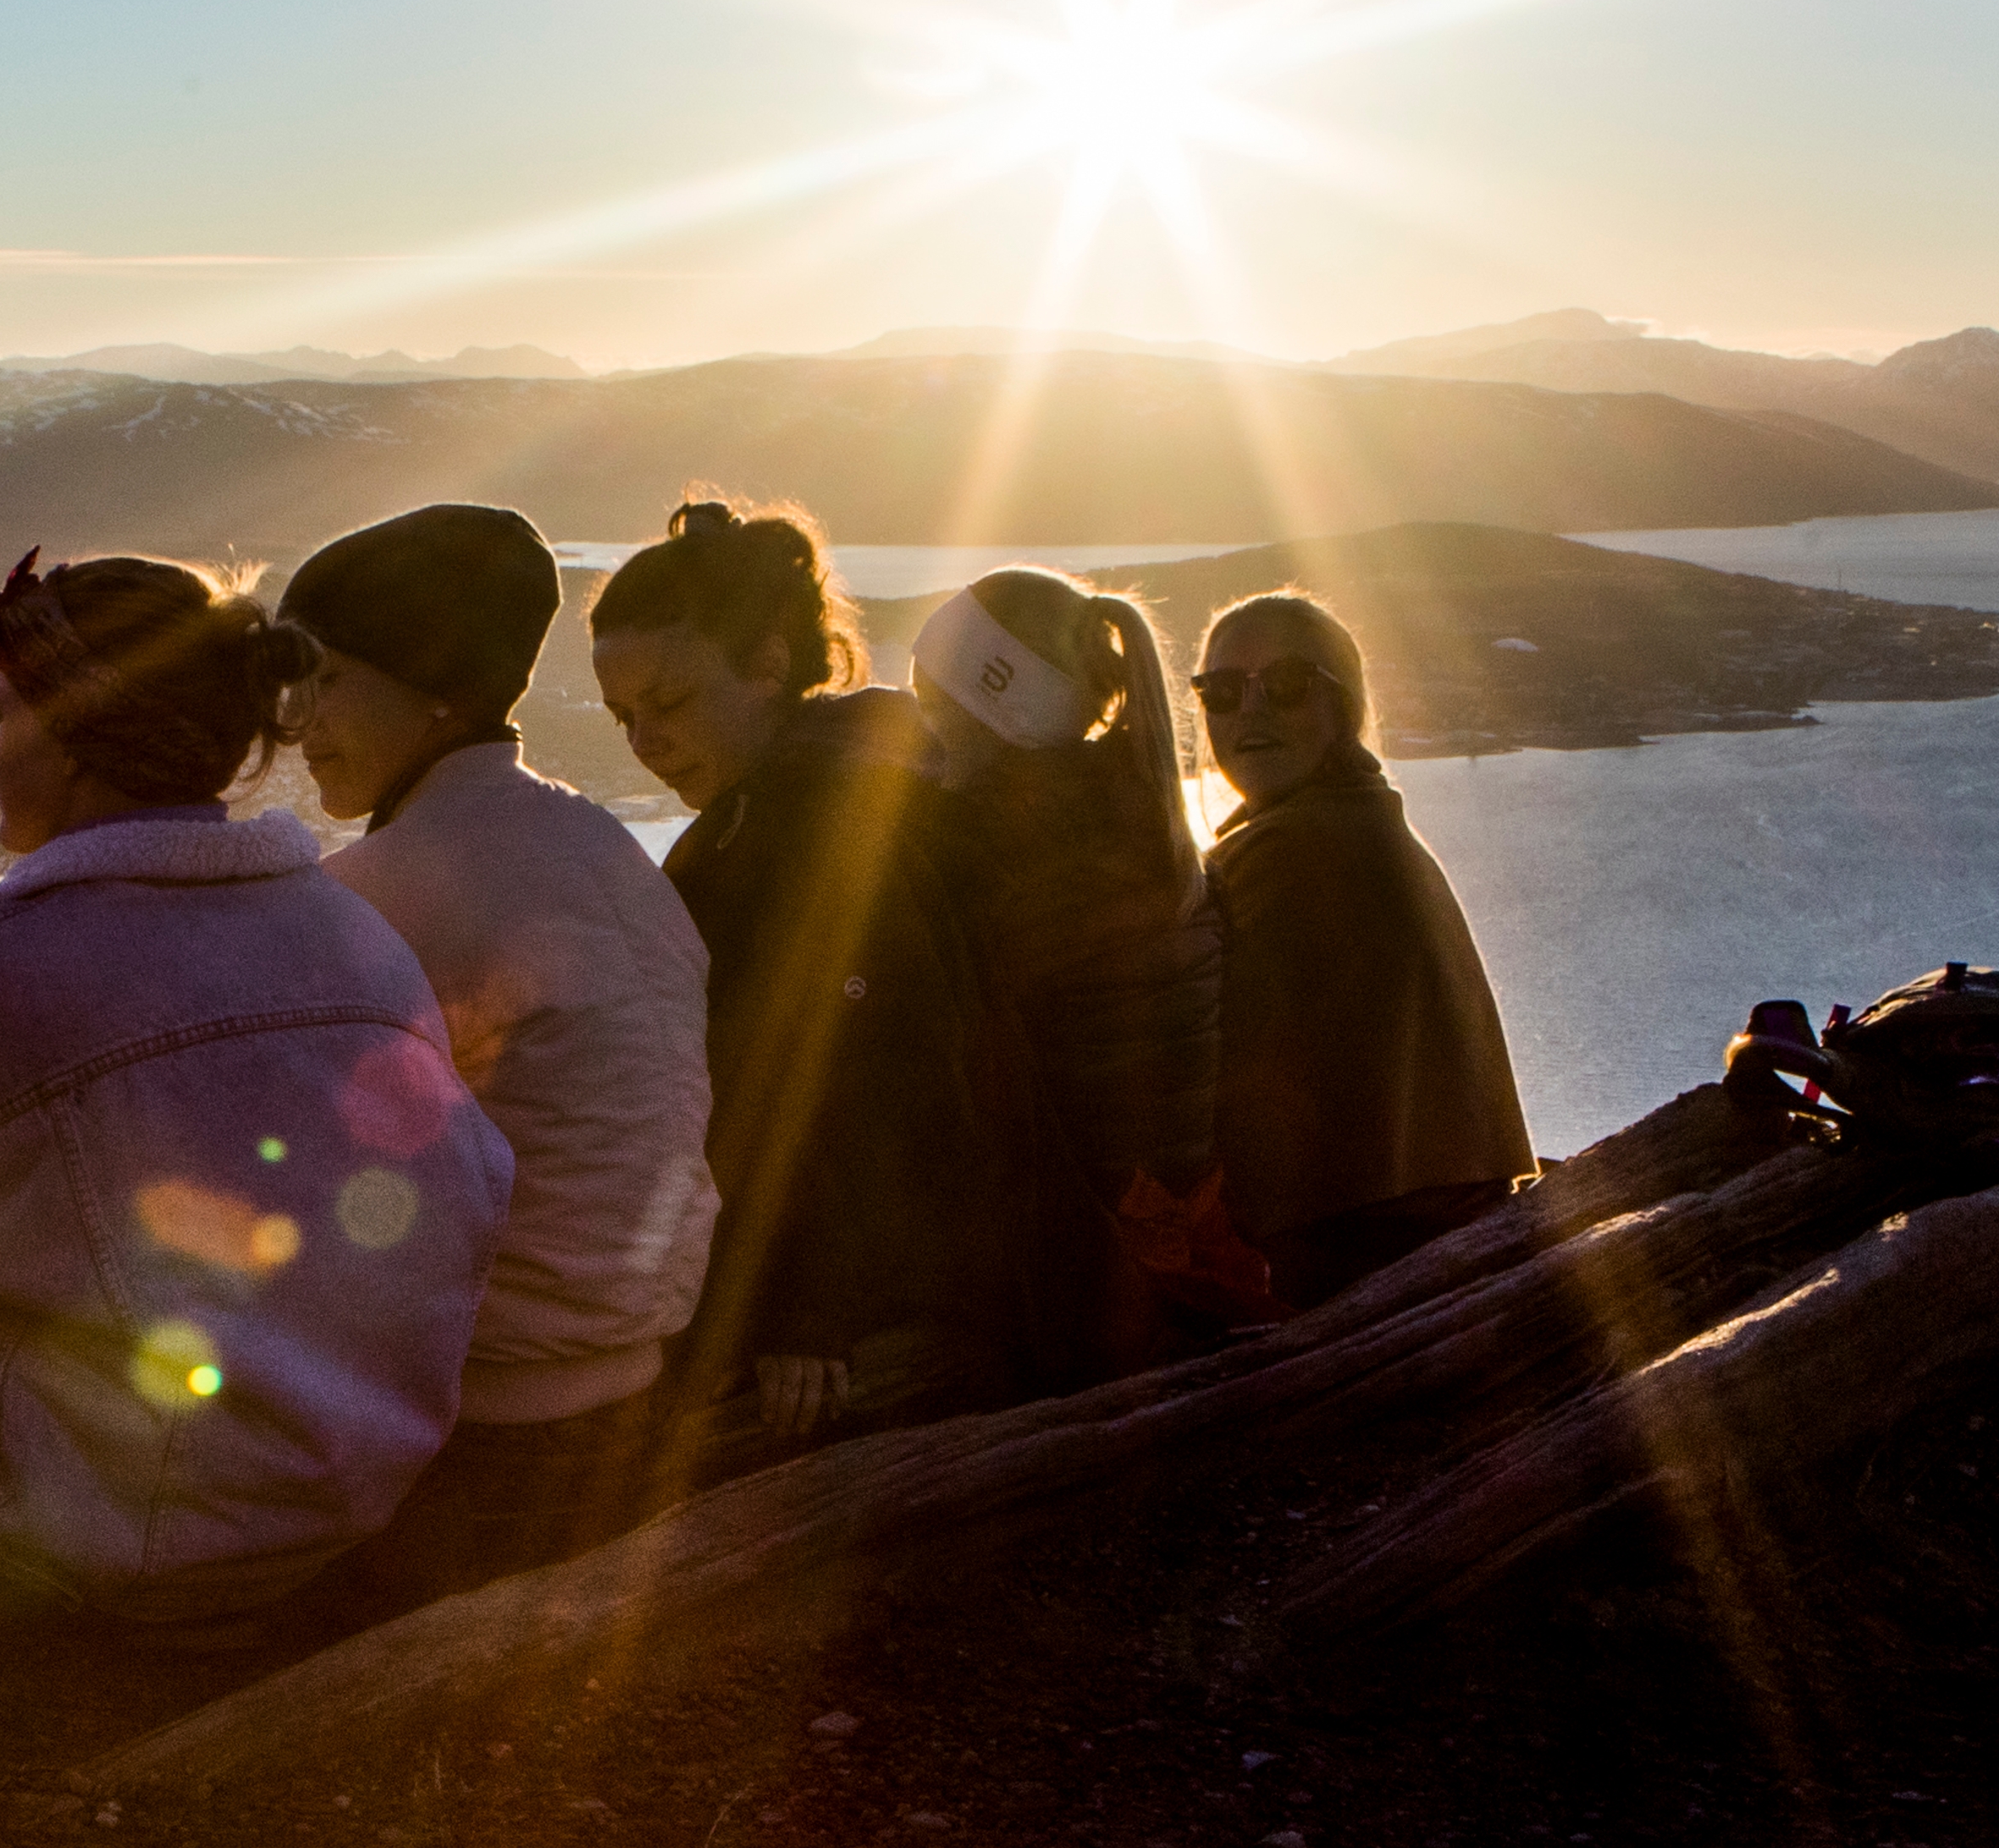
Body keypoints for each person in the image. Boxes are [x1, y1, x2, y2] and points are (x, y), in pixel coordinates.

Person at [0, 552, 513, 1634]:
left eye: (5, 715)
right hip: (349, 1501)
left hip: (103, 1535)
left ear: (78, 740)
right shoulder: (358, 939)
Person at [278, 502, 718, 1603]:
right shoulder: (600, 845)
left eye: (328, 680)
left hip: (489, 1433)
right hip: (632, 1385)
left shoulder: (378, 893)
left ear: (430, 685)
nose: (300, 721)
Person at [593, 494, 1018, 1464]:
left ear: (770, 664)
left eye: (671, 703)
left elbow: (871, 1075)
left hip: (872, 1295)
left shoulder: (812, 829)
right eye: (623, 716)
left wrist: (801, 1310)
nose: (644, 742)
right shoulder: (860, 768)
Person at [907, 565, 1252, 1372]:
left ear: (997, 706)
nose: (914, 737)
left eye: (930, 707)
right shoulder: (1140, 828)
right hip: (1177, 1237)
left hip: (1083, 1278)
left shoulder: (998, 857)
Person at [1192, 584, 1533, 1308]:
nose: (1249, 711)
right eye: (1221, 690)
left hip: (1364, 1263)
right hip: (1428, 1235)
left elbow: (1180, 1064)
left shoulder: (1293, 848)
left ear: (1340, 705)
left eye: (1284, 684)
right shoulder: (1365, 822)